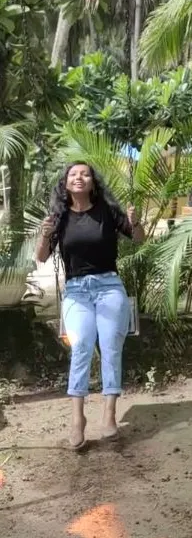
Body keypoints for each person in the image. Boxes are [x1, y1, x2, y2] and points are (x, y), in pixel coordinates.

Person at [36, 161, 145, 449]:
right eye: (73, 174)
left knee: (110, 345)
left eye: (85, 173)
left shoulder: (108, 211)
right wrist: (45, 234)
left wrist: (136, 222)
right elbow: (41, 257)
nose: (79, 177)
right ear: (66, 183)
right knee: (82, 344)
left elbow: (137, 239)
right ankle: (77, 420)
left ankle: (109, 415)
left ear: (93, 182)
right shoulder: (59, 218)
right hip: (76, 291)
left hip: (109, 286)